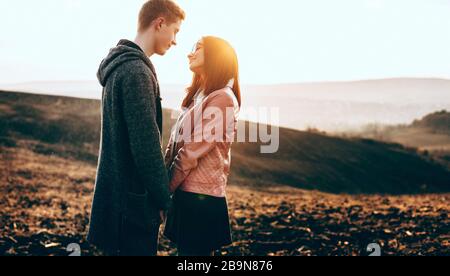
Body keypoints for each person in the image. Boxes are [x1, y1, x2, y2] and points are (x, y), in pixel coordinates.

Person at [87, 0, 185, 256]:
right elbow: (145, 144)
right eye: (175, 31)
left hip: (119, 199)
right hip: (132, 206)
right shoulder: (136, 71)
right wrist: (164, 198)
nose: (175, 40)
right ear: (159, 23)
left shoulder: (121, 66)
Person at [164, 36, 241, 256]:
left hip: (201, 199)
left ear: (215, 58)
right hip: (185, 192)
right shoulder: (198, 96)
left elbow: (191, 151)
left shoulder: (223, 98)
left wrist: (165, 188)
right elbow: (174, 144)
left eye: (197, 48)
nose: (190, 53)